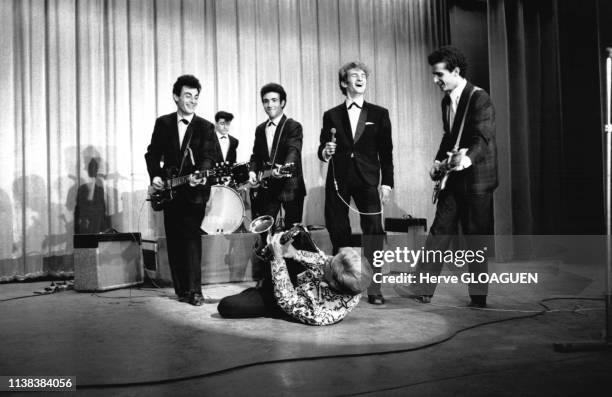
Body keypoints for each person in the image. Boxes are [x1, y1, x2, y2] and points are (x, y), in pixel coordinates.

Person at [408, 46, 497, 308]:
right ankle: (421, 288)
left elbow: (482, 138)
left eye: (439, 75)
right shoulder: (447, 100)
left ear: (456, 71)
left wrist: (465, 159)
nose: (435, 80)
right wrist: (438, 162)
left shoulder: (480, 99)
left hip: (478, 179)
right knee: (439, 231)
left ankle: (479, 297)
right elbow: (449, 136)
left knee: (475, 237)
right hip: (454, 179)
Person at [318, 62, 394, 305]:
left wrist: (387, 183)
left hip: (368, 180)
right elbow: (323, 149)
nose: (361, 78)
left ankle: (374, 289)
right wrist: (325, 151)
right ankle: (341, 284)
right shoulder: (331, 115)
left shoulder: (379, 114)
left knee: (373, 232)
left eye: (363, 75)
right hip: (338, 181)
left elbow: (387, 152)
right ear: (344, 83)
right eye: (354, 75)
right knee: (338, 230)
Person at [145, 74, 216, 306]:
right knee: (174, 240)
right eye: (188, 95)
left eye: (196, 97)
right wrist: (155, 175)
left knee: (192, 240)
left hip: (194, 193)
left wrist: (200, 177)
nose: (192, 101)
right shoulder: (163, 123)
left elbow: (208, 158)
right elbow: (152, 153)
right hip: (169, 193)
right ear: (176, 97)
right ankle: (182, 290)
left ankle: (196, 291)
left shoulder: (205, 127)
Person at [217, 226, 372, 326]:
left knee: (227, 306)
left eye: (329, 265)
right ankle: (273, 249)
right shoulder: (353, 280)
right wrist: (295, 253)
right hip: (308, 279)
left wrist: (278, 259)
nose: (328, 259)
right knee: (299, 233)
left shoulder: (320, 313)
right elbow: (322, 261)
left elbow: (285, 298)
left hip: (286, 298)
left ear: (331, 283)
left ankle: (263, 282)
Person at [248, 83, 306, 228]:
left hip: (290, 187)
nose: (269, 104)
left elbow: (294, 150)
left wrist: (285, 167)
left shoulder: (293, 126)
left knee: (292, 232)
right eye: (266, 101)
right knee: (265, 232)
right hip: (268, 187)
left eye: (274, 100)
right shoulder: (260, 129)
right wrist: (252, 171)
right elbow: (256, 155)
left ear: (282, 103)